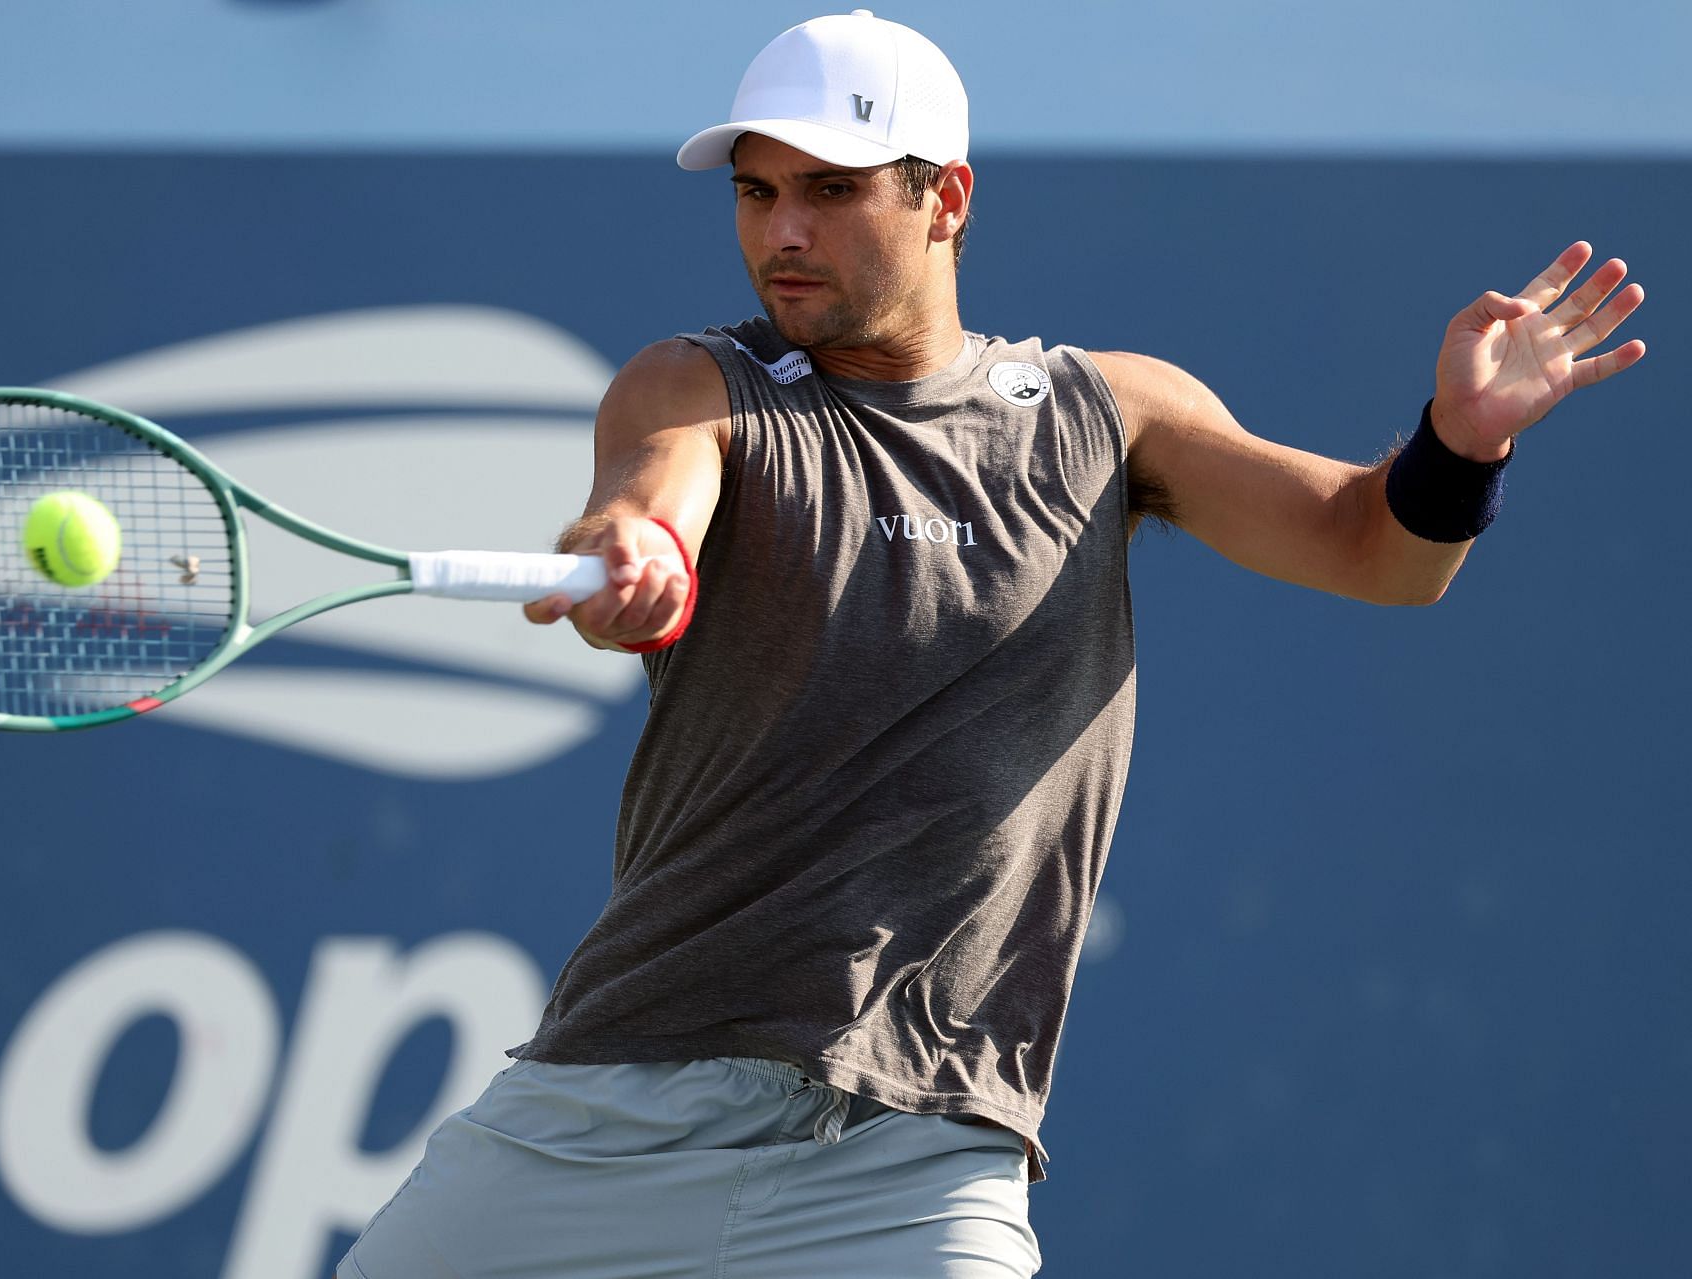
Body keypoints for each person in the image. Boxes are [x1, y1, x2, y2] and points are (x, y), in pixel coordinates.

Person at [337, 10, 1646, 1277]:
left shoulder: (1107, 416)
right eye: (756, 192)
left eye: (832, 191)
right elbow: (653, 495)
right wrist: (639, 548)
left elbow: (1377, 552)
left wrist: (1462, 444)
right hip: (608, 1115)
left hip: (917, 1163)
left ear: (945, 199)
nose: (782, 233)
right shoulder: (698, 383)